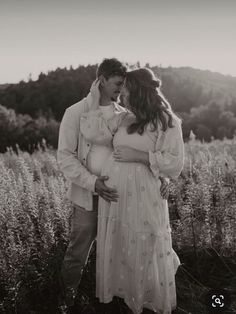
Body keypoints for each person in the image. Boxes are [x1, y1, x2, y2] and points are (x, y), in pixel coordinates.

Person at [57, 59, 169, 311]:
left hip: (123, 197)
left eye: (124, 84)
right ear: (102, 80)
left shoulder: (126, 115)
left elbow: (149, 147)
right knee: (79, 251)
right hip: (89, 193)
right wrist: (94, 183)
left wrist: (163, 176)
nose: (122, 88)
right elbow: (65, 157)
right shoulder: (75, 112)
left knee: (120, 251)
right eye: (117, 83)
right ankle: (67, 301)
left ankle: (115, 300)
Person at [94, 68, 185, 314]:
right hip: (115, 194)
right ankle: (122, 293)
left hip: (144, 193)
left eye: (126, 87)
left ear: (139, 90)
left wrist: (141, 156)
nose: (121, 92)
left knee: (145, 240)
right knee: (122, 241)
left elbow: (175, 162)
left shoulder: (167, 120)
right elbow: (94, 120)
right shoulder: (125, 117)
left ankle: (145, 297)